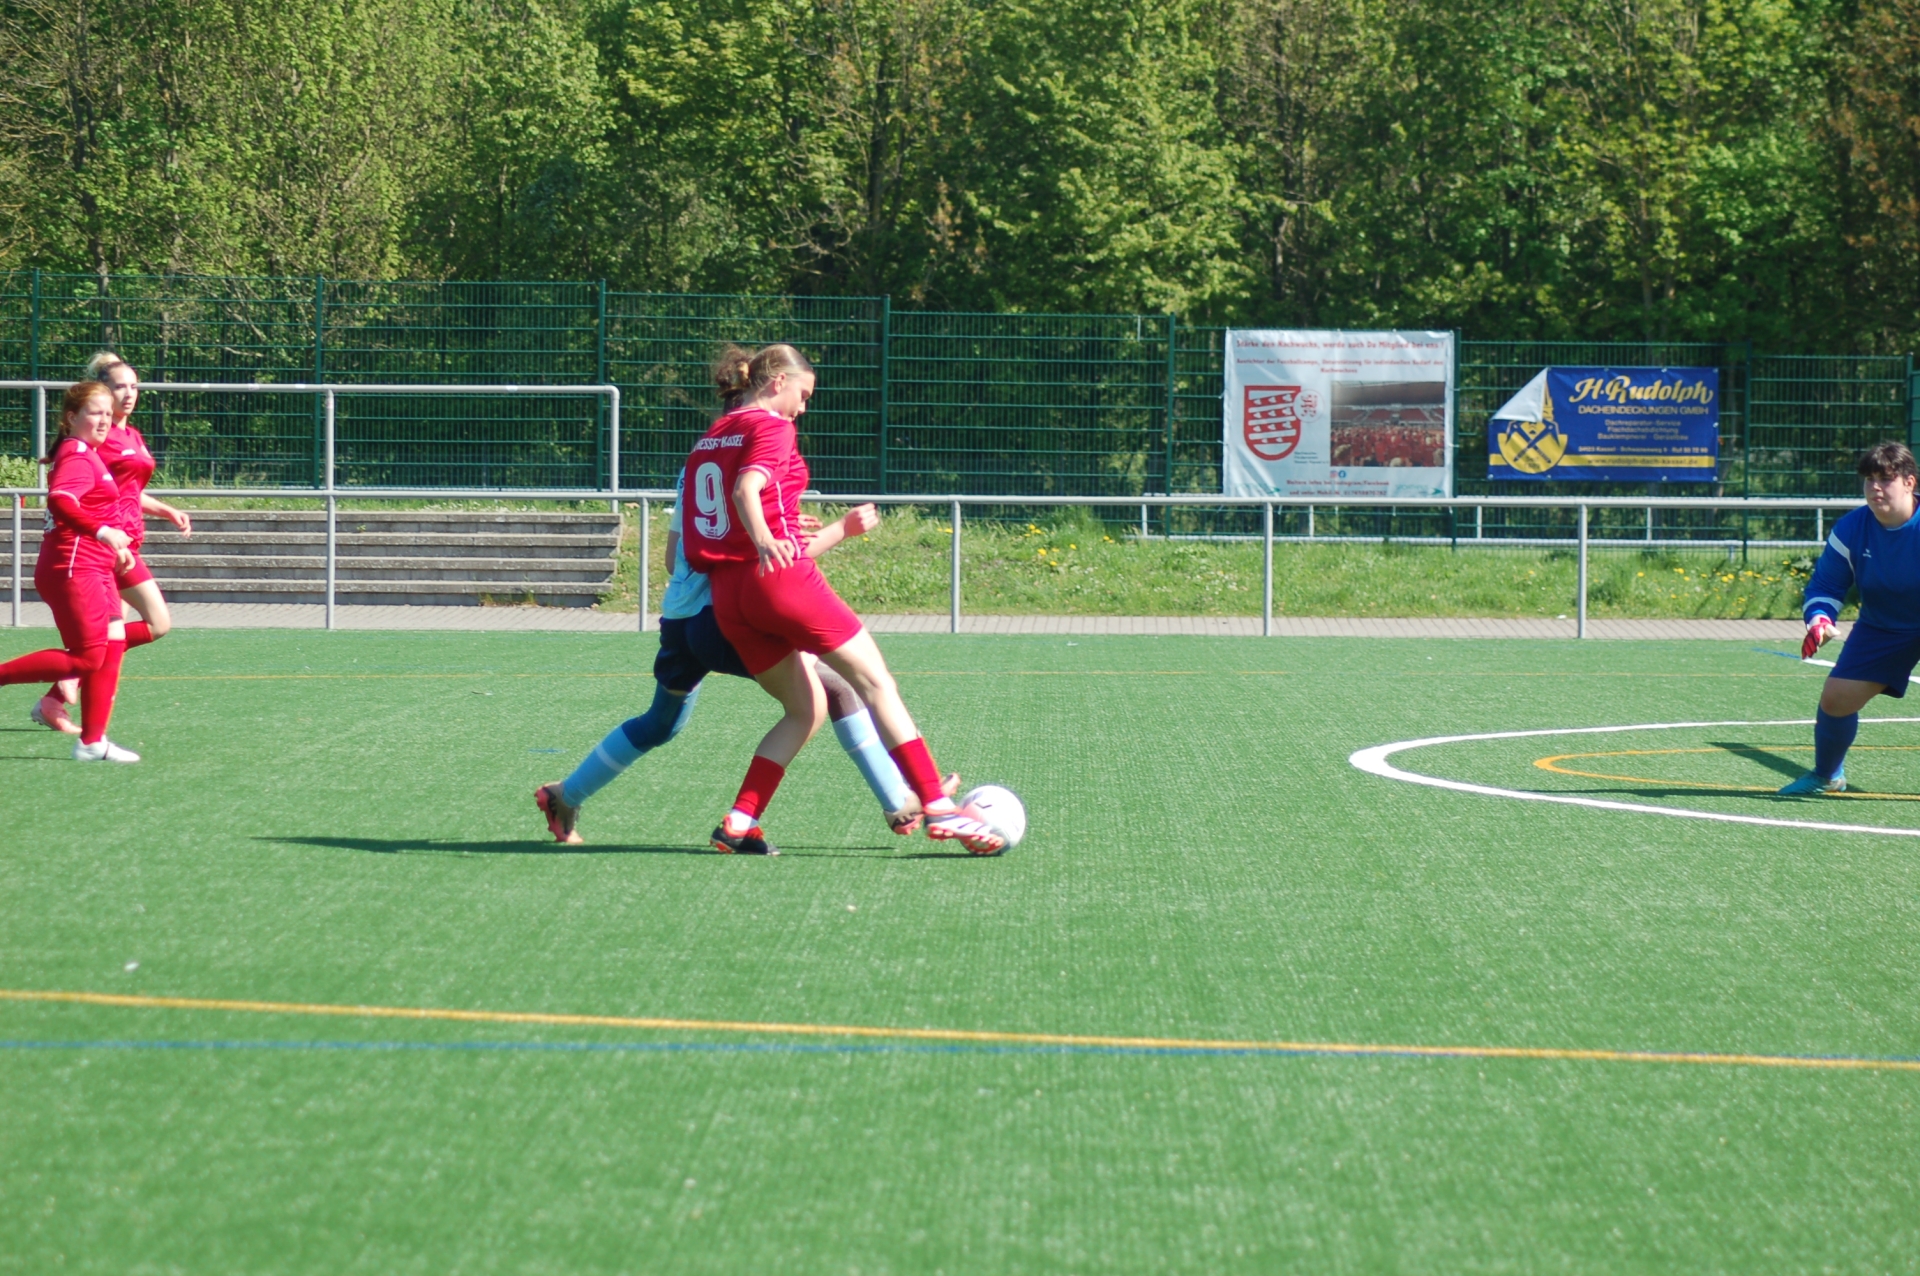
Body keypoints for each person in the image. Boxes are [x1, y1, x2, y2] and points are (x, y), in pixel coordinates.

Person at [681, 343, 1004, 855]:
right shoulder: (772, 425)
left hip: (729, 596)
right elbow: (746, 489)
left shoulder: (714, 434)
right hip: (778, 579)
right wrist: (766, 538)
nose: (803, 407)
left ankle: (740, 821)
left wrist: (776, 525)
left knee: (804, 710)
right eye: (803, 394)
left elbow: (725, 506)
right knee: (876, 682)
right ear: (778, 382)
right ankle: (939, 808)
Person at [533, 480, 956, 846]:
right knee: (832, 692)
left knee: (661, 723)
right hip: (724, 619)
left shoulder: (698, 463)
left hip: (680, 619)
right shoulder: (750, 466)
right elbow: (774, 558)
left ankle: (565, 795)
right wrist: (840, 529)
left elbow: (674, 557)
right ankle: (895, 802)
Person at [30, 352, 190, 735]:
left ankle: (64, 704)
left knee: (125, 634)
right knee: (142, 628)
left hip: (126, 543)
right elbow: (77, 491)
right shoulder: (97, 440)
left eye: (134, 386)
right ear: (103, 391)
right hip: (106, 548)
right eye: (120, 386)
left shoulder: (131, 435)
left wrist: (166, 510)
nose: (129, 393)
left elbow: (126, 490)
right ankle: (81, 716)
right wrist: (103, 534)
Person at [0, 381, 139, 761]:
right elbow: (61, 501)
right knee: (87, 658)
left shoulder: (87, 453)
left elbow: (94, 507)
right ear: (71, 417)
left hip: (94, 565)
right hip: (74, 566)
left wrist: (115, 546)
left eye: (108, 413)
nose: (104, 420)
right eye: (95, 412)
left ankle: (92, 742)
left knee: (113, 641)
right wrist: (104, 532)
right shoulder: (77, 454)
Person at [1780, 441, 1920, 794]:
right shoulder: (1851, 528)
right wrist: (1820, 620)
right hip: (1883, 626)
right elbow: (1826, 585)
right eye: (1869, 479)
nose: (1875, 487)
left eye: (1885, 479)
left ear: (1909, 482)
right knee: (1836, 697)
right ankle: (1827, 776)